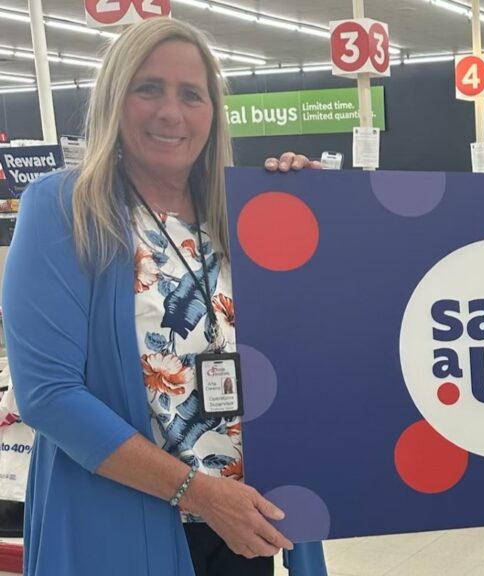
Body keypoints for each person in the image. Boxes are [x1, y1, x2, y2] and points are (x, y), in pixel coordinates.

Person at [2, 18, 317, 576]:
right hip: (121, 523)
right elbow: (48, 395)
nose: (170, 112)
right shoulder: (64, 210)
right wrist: (202, 495)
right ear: (114, 101)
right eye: (148, 88)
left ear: (213, 113)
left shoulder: (244, 215)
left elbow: (318, 341)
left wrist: (316, 210)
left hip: (247, 525)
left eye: (191, 94)